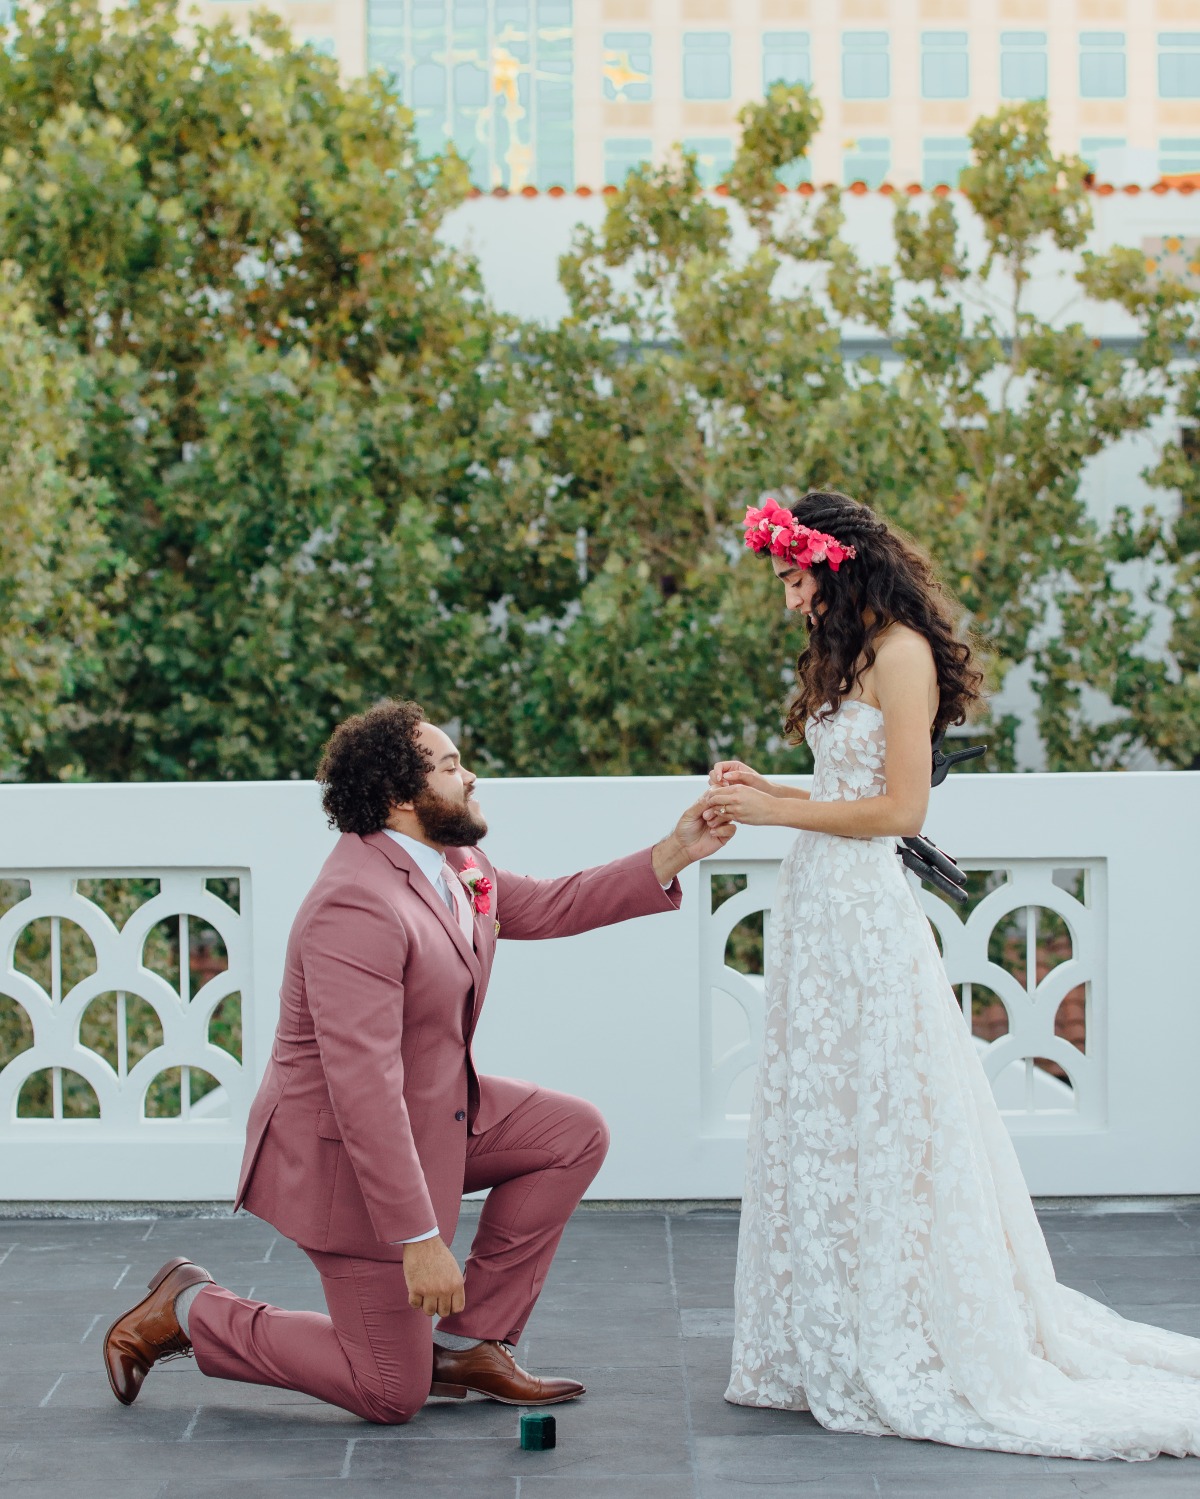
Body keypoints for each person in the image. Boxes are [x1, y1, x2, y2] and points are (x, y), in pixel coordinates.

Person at [705, 489, 1200, 1460]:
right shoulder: (845, 656)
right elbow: (847, 792)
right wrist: (771, 790)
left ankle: (902, 1325)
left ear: (833, 564)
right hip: (818, 905)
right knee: (823, 1108)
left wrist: (777, 816)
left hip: (865, 914)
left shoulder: (902, 655)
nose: (788, 599)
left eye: (792, 578)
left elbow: (898, 809)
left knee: (889, 1112)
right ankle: (823, 1330)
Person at [104, 700, 732, 1423]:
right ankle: (189, 1310)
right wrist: (422, 1241)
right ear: (402, 797)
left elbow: (550, 903)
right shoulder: (355, 906)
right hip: (347, 1162)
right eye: (452, 765)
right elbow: (362, 1093)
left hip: (433, 1114)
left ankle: (470, 1344)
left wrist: (678, 847)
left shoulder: (454, 861)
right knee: (387, 1391)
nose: (472, 777)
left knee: (571, 1132)